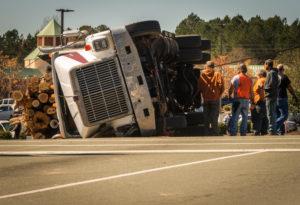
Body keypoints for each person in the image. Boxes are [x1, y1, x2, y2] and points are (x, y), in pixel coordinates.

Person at [199, 61, 224, 136]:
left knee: (206, 118)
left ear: (206, 66)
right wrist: (218, 95)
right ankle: (215, 133)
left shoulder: (202, 74)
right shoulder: (217, 74)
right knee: (214, 118)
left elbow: (199, 87)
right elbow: (222, 87)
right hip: (215, 99)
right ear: (213, 67)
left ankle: (206, 134)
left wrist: (204, 94)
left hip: (206, 99)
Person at [228, 63, 253, 136]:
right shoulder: (249, 79)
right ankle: (243, 132)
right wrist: (252, 100)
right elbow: (251, 91)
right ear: (246, 70)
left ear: (240, 69)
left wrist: (230, 95)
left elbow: (231, 88)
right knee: (245, 117)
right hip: (246, 100)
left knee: (235, 116)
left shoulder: (236, 77)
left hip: (237, 100)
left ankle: (233, 132)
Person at [276, 64, 298, 135]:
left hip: (274, 98)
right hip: (282, 98)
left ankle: (280, 131)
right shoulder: (284, 77)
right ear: (283, 69)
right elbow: (289, 88)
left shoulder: (274, 77)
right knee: (285, 115)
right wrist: (294, 95)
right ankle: (273, 127)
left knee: (278, 115)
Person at [264, 59, 279, 135]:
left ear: (268, 65)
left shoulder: (271, 73)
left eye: (265, 64)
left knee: (270, 113)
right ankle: (273, 130)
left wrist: (264, 88)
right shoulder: (273, 72)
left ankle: (272, 130)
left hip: (270, 96)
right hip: (273, 95)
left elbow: (272, 84)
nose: (264, 66)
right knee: (272, 113)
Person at [251, 70, 268, 135]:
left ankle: (257, 131)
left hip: (259, 101)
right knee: (264, 117)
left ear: (260, 75)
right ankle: (264, 131)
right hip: (264, 101)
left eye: (257, 75)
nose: (257, 76)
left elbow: (260, 88)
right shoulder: (266, 80)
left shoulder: (261, 80)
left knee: (258, 116)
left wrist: (262, 98)